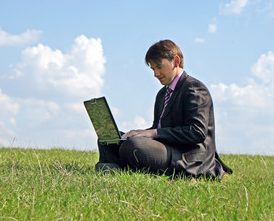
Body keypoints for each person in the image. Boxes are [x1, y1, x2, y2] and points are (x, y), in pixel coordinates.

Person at [96, 39, 232, 179]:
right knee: (109, 138)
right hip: (167, 149)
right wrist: (141, 133)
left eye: (159, 67)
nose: (155, 73)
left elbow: (197, 132)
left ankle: (114, 167)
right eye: (153, 69)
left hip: (188, 157)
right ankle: (114, 167)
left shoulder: (195, 88)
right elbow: (159, 129)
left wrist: (152, 133)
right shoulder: (162, 94)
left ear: (176, 61)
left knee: (133, 145)